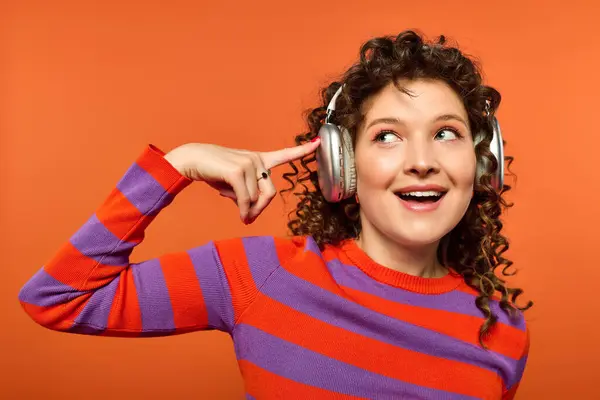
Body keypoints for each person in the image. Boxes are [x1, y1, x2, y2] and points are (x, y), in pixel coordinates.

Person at [18, 30, 532, 399]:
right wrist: (177, 164)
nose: (422, 161)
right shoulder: (261, 275)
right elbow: (59, 298)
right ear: (343, 167)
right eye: (387, 136)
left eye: (446, 133)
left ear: (483, 164)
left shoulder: (504, 333)